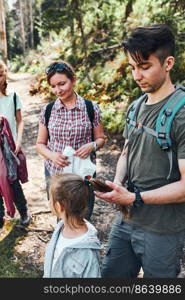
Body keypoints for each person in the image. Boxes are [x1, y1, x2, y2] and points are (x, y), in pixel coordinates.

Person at [96, 24, 185, 278]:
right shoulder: (135, 107)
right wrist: (116, 184)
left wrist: (134, 198)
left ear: (168, 63)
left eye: (144, 67)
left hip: (163, 230)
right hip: (126, 221)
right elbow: (126, 151)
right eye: (133, 67)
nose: (136, 76)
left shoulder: (181, 114)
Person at [36, 61, 105, 220]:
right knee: (62, 216)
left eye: (62, 84)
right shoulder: (47, 111)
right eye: (53, 86)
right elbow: (40, 144)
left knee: (83, 213)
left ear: (73, 80)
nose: (57, 90)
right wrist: (52, 156)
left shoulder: (90, 107)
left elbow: (101, 138)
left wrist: (92, 145)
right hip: (56, 172)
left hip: (83, 173)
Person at [43, 173, 102, 278]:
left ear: (59, 206)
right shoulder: (60, 228)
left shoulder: (89, 253)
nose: (49, 202)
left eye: (50, 199)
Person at [0, 60, 31, 229]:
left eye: (0, 75)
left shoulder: (12, 96)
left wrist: (18, 141)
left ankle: (24, 211)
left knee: (12, 179)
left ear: (5, 74)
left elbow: (20, 121)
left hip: (9, 146)